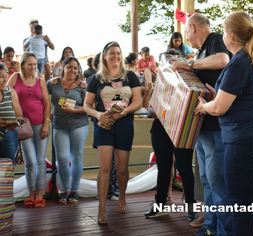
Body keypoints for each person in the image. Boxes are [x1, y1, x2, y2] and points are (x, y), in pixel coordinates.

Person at [194, 11, 253, 235]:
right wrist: (216, 94)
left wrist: (204, 106)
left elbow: (219, 108)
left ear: (230, 35)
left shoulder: (238, 63)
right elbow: (241, 96)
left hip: (242, 140)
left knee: (238, 204)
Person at [171, 13, 232, 236]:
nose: (186, 36)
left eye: (186, 31)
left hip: (216, 125)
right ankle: (210, 227)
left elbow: (223, 60)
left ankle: (223, 230)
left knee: (217, 183)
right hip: (202, 126)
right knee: (206, 180)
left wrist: (189, 64)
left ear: (193, 28)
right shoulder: (200, 51)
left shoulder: (215, 39)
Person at [84, 41, 141, 225]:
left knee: (122, 168)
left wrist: (124, 111)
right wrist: (97, 114)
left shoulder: (130, 76)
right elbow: (86, 104)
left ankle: (122, 196)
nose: (115, 56)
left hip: (125, 124)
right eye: (111, 53)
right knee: (105, 166)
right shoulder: (96, 79)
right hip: (104, 126)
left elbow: (138, 101)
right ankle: (101, 208)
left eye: (118, 53)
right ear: (104, 56)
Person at [143, 50, 198, 222]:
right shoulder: (160, 82)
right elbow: (150, 110)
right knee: (163, 169)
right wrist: (160, 111)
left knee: (185, 168)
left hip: (181, 130)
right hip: (160, 130)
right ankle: (160, 205)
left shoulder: (189, 79)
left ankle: (191, 207)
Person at [7, 52, 51, 208]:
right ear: (23, 65)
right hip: (23, 126)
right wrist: (14, 120)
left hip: (40, 124)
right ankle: (30, 192)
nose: (33, 67)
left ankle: (39, 193)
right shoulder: (15, 78)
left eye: (35, 64)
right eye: (30, 64)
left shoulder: (41, 81)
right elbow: (6, 96)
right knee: (30, 161)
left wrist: (46, 124)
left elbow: (47, 104)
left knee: (40, 160)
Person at [47, 56, 89, 204]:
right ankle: (65, 190)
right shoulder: (52, 83)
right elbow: (45, 101)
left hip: (79, 125)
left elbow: (89, 107)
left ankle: (74, 191)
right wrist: (48, 116)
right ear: (63, 67)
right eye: (69, 67)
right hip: (59, 126)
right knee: (62, 159)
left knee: (76, 157)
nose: (72, 70)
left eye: (75, 68)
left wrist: (73, 110)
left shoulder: (83, 85)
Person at [0, 63, 22, 162]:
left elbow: (19, 115)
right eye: (1, 77)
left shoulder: (11, 91)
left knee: (7, 168)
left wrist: (15, 122)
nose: (5, 80)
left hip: (9, 133)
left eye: (6, 76)